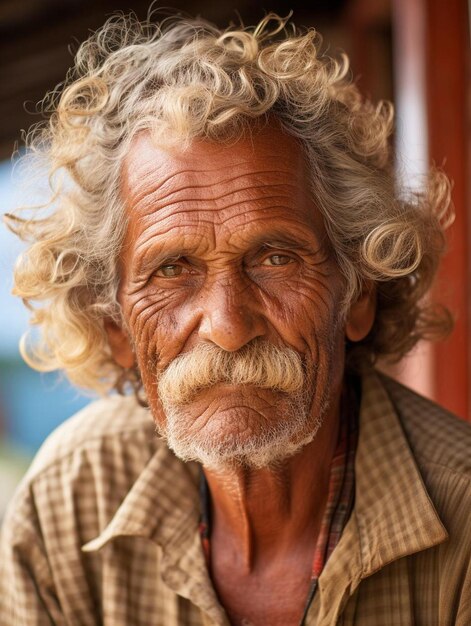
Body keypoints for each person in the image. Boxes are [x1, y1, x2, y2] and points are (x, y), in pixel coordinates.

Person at [1, 11, 470, 626]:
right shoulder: (67, 502)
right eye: (171, 269)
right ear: (113, 323)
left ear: (357, 294)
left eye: (274, 258)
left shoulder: (461, 523)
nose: (226, 323)